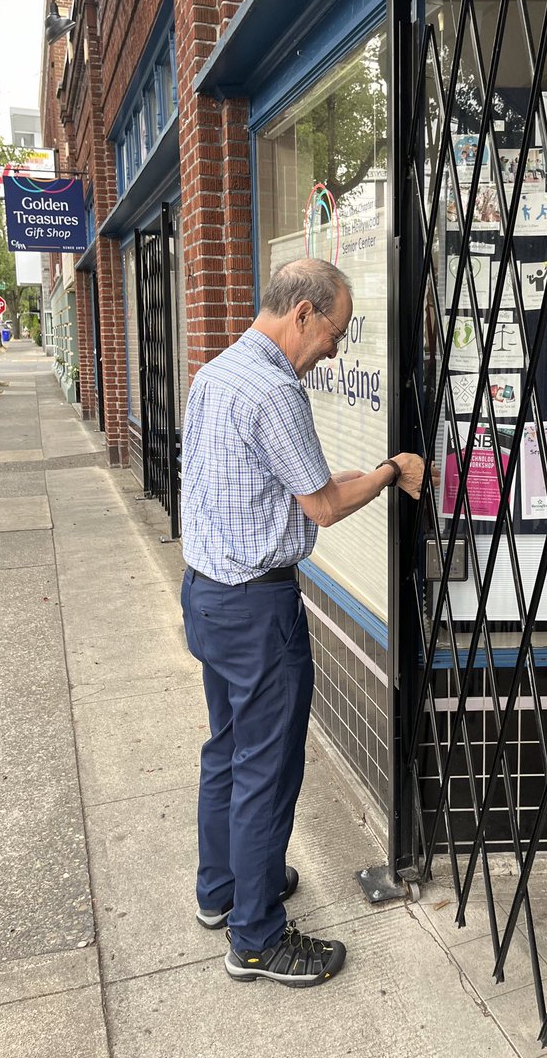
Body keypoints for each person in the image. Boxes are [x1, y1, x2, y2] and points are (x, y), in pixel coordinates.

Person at [180, 257, 429, 989]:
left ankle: (222, 890)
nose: (333, 350)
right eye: (336, 333)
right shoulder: (276, 389)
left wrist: (372, 468)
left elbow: (282, 493)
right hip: (258, 612)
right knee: (267, 771)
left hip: (208, 596)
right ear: (305, 314)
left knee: (227, 751)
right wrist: (391, 475)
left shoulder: (216, 373)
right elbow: (320, 506)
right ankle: (255, 939)